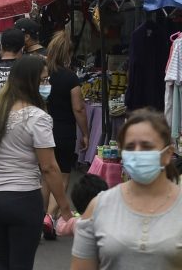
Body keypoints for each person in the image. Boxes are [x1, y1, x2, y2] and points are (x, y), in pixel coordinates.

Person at [0, 56, 74, 270]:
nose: (46, 85)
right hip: (24, 198)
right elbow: (49, 167)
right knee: (21, 264)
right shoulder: (37, 117)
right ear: (29, 81)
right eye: (42, 80)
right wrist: (64, 208)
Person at [72, 109, 182, 269]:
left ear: (167, 154)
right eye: (130, 147)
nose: (137, 153)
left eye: (146, 146)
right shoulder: (99, 207)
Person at [42, 31, 89, 238]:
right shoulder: (70, 78)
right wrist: (86, 133)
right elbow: (78, 108)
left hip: (43, 129)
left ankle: (41, 216)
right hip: (64, 130)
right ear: (67, 53)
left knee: (45, 176)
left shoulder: (43, 75)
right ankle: (50, 217)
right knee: (62, 175)